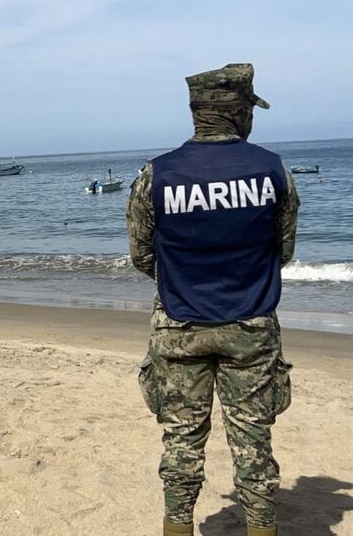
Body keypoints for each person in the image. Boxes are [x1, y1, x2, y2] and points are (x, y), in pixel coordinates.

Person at [127, 63, 298, 536]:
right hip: (252, 325)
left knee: (181, 440)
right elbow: (283, 250)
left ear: (197, 113)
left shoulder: (156, 174)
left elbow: (143, 256)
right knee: (253, 443)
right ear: (240, 112)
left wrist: (189, 277)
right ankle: (262, 526)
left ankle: (177, 525)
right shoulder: (272, 169)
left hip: (180, 323)